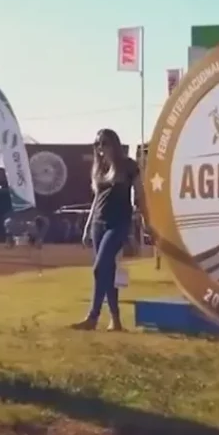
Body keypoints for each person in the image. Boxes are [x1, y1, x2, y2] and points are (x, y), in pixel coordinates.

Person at [73, 128, 141, 331]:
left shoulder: (129, 166)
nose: (101, 148)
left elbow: (139, 195)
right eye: (97, 145)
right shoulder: (100, 168)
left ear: (114, 143)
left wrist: (140, 223)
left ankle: (92, 317)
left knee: (99, 268)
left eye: (104, 143)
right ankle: (116, 320)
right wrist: (87, 227)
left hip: (118, 223)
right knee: (107, 270)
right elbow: (97, 199)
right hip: (98, 224)